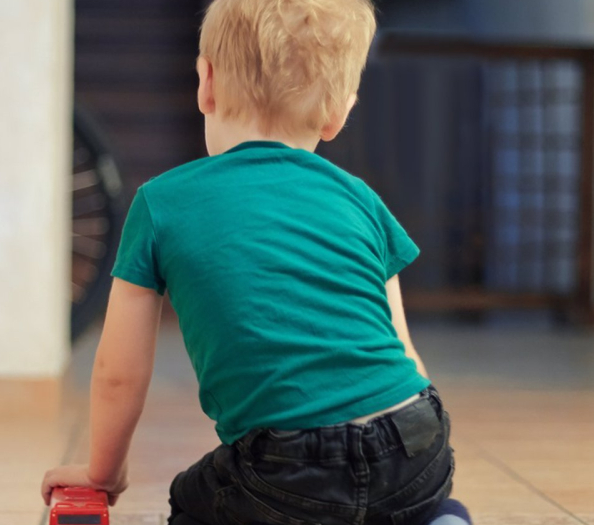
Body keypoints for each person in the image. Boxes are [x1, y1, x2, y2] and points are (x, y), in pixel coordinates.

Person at [41, 1, 468, 523]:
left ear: (206, 82)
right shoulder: (361, 201)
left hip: (288, 468)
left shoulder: (162, 204)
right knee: (424, 504)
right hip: (414, 441)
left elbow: (118, 374)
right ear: (339, 113)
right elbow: (403, 350)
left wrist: (103, 475)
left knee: (194, 500)